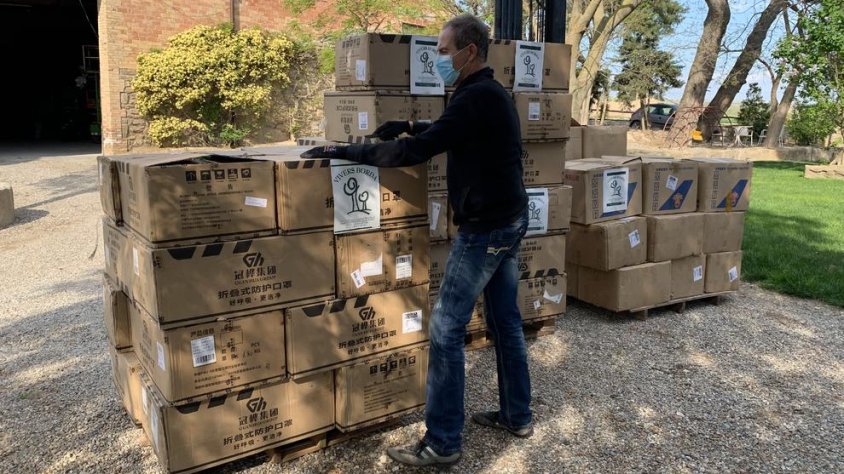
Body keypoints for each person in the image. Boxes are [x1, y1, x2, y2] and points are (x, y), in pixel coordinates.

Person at [301, 13, 533, 467]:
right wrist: (409, 123)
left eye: (444, 51)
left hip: (486, 228)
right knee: (505, 320)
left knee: (446, 328)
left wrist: (345, 150)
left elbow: (415, 153)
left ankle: (443, 442)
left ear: (468, 52)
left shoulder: (475, 97)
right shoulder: (483, 93)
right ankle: (516, 415)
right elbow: (447, 135)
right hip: (510, 218)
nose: (438, 58)